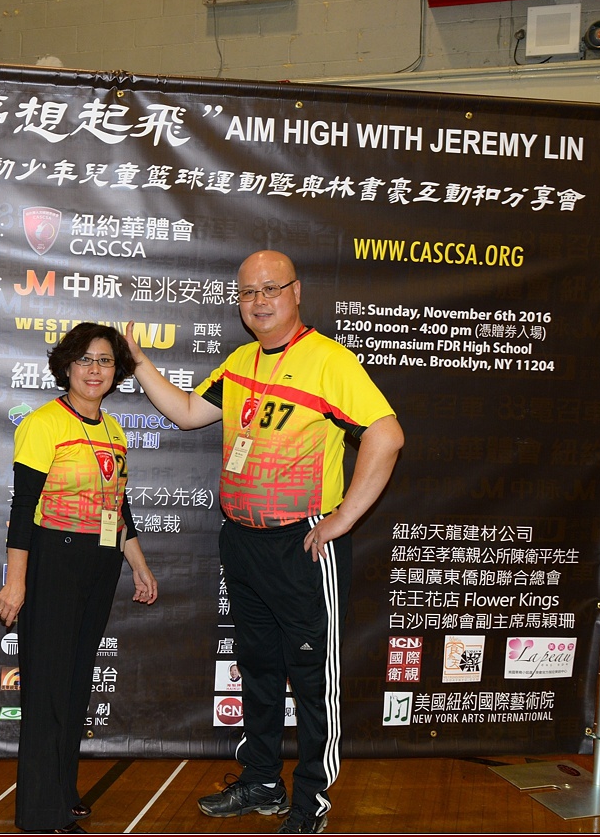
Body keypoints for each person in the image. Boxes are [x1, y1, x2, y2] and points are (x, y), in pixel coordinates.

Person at [124, 250, 403, 835]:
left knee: (313, 680)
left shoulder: (329, 360)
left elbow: (386, 435)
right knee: (257, 668)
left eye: (271, 288)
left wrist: (343, 518)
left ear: (296, 292)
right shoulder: (241, 361)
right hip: (243, 541)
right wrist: (142, 364)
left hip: (303, 547)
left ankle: (310, 802)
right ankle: (261, 782)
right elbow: (188, 412)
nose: (259, 301)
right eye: (248, 292)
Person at [0, 322, 159, 834]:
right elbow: (23, 509)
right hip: (54, 559)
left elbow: (118, 505)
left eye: (105, 361)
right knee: (47, 685)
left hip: (101, 561)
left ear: (116, 371)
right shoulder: (44, 423)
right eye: (85, 359)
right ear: (66, 366)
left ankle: (63, 792)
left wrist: (138, 564)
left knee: (74, 683)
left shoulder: (114, 429)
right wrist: (16, 582)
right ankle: (40, 811)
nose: (95, 369)